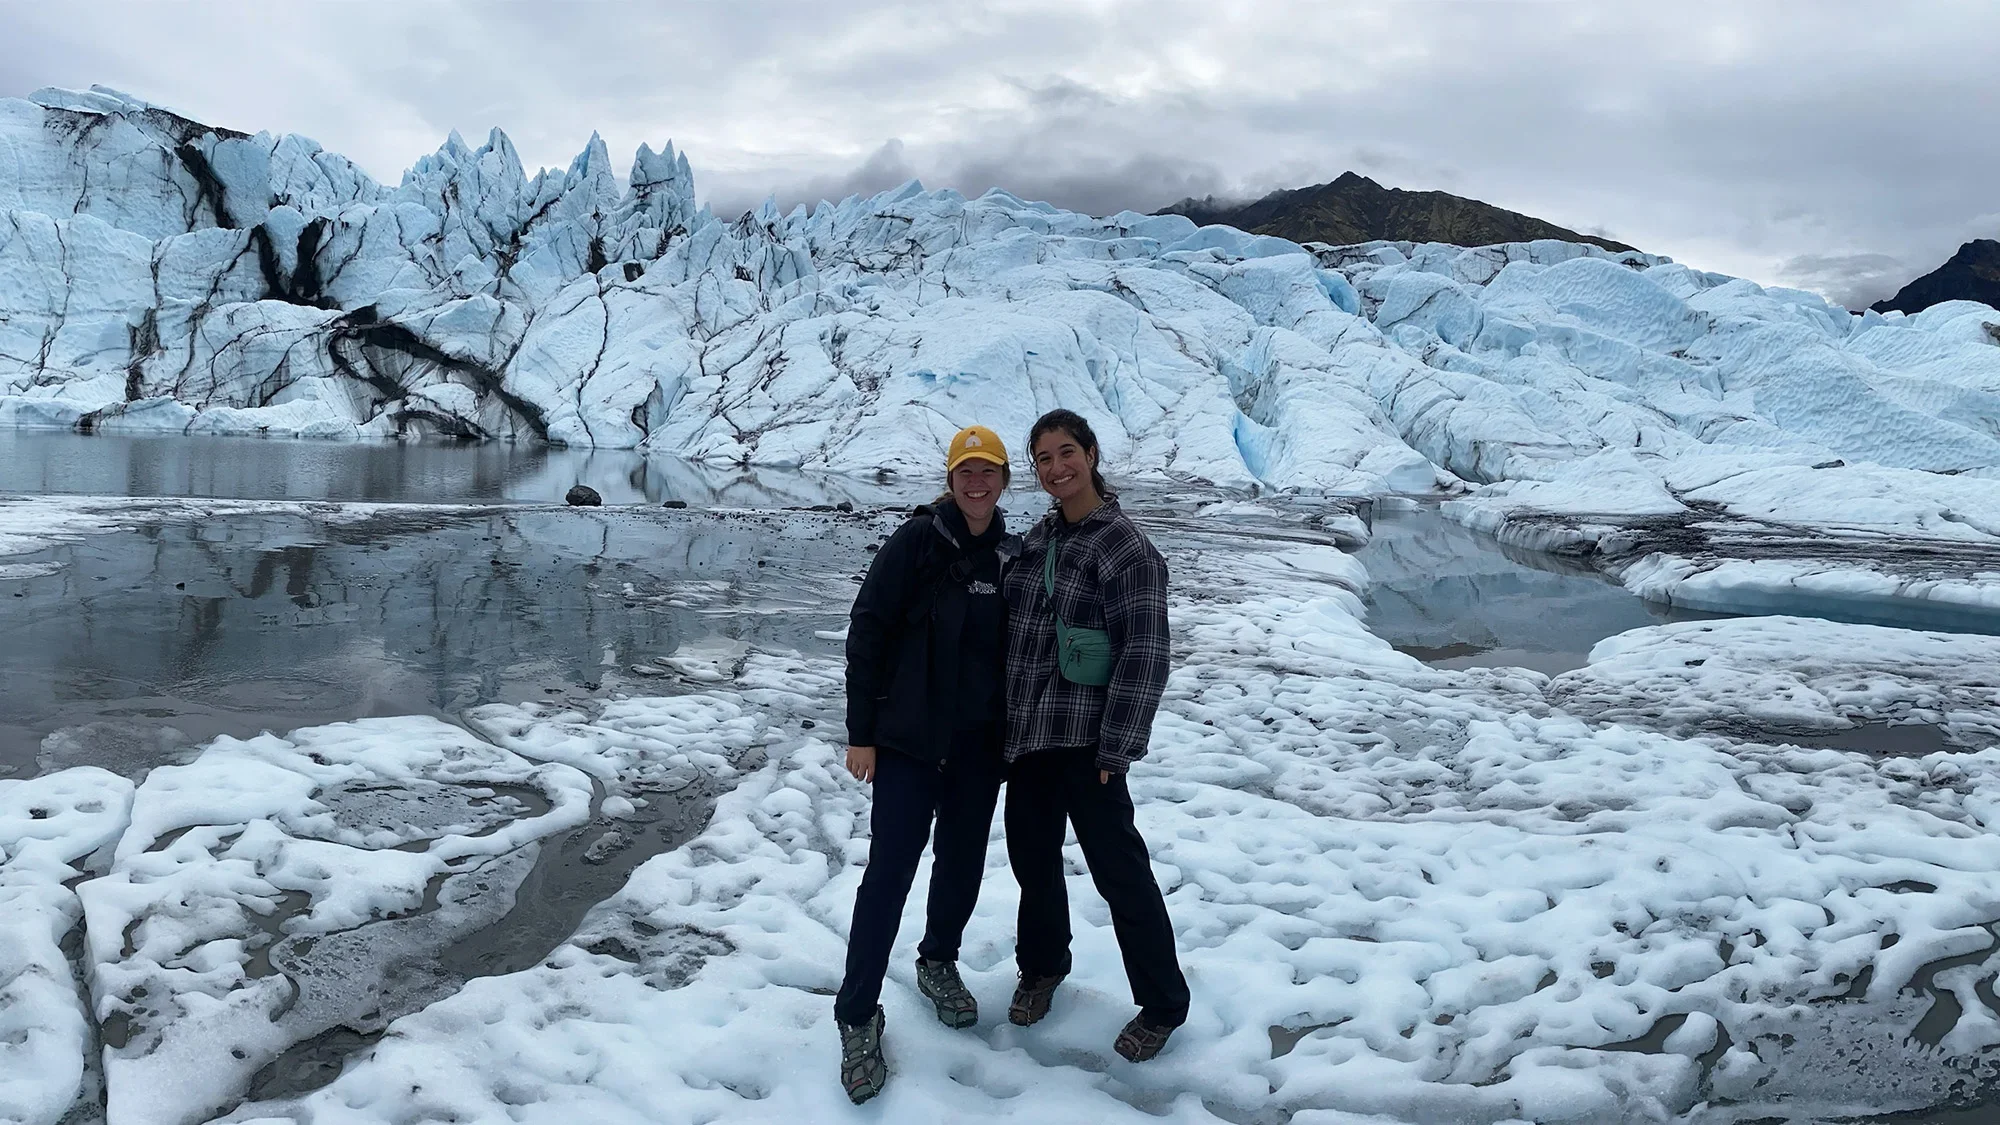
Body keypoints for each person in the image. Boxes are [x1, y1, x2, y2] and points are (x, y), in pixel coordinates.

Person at [834, 424, 1020, 1105]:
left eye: (988, 470)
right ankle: (857, 1013)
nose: (977, 482)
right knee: (887, 877)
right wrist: (863, 733)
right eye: (965, 471)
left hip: (977, 750)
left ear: (1003, 479)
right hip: (910, 746)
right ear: (950, 480)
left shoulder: (1011, 555)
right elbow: (869, 629)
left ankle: (938, 959)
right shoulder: (916, 542)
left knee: (963, 862)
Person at [1000, 408, 1191, 1062]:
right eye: (1043, 458)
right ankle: (1043, 964)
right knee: (1033, 861)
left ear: (1090, 453)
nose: (1055, 468)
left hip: (1090, 746)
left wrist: (1118, 746)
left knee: (1120, 874)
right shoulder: (1042, 537)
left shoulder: (1125, 546)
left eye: (1065, 453)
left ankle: (1164, 1002)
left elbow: (1146, 652)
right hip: (1032, 738)